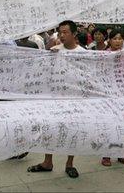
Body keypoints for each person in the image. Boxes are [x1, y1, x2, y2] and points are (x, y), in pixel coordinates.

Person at [28, 20, 83, 179]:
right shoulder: (54, 51)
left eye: (66, 32)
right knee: (51, 129)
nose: (62, 35)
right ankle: (47, 162)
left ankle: (70, 164)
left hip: (74, 101)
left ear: (74, 34)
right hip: (54, 100)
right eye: (60, 32)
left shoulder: (82, 53)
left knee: (73, 132)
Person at [101, 29, 124, 166]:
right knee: (110, 125)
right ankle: (106, 155)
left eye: (120, 39)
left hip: (123, 96)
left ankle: (121, 154)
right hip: (108, 96)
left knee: (123, 125)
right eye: (115, 38)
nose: (118, 41)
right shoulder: (103, 55)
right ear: (110, 40)